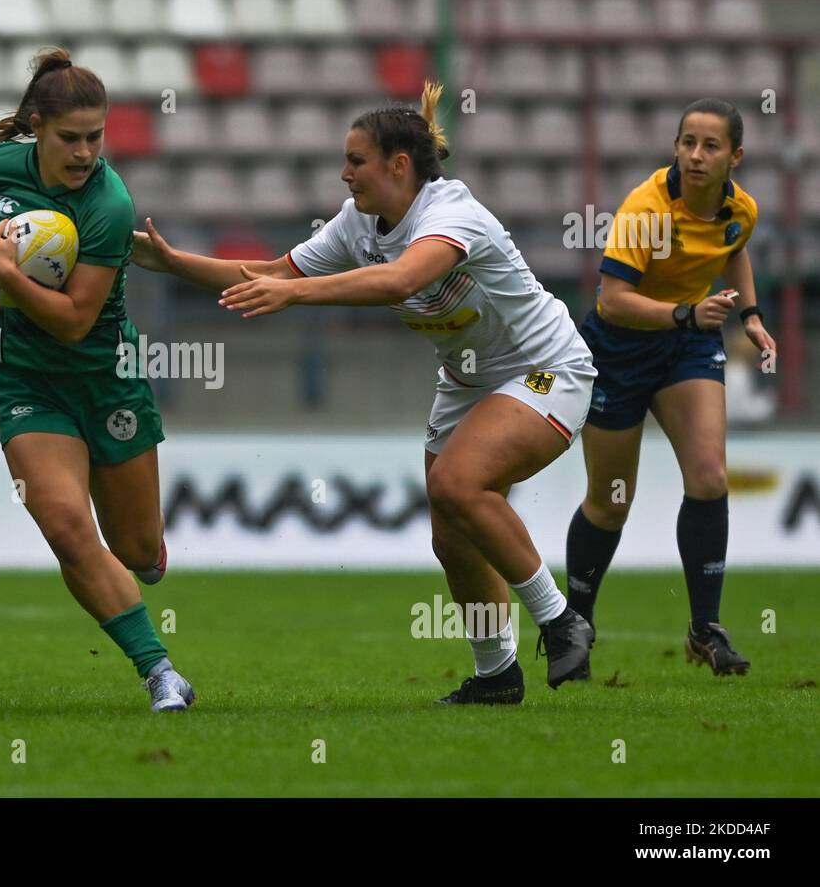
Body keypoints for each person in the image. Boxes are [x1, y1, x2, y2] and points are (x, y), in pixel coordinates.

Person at [132, 82, 595, 703]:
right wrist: (174, 263)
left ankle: (561, 620)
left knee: (457, 484)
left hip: (545, 369)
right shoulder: (359, 224)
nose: (343, 173)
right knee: (450, 536)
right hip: (466, 380)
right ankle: (497, 676)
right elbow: (273, 273)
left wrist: (296, 295)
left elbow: (398, 280)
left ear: (398, 165)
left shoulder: (452, 213)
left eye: (355, 160)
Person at [0, 48, 194, 712]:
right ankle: (160, 673)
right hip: (29, 382)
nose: (86, 153)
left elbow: (75, 322)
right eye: (71, 139)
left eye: (96, 137)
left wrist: (4, 275)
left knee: (137, 550)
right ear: (36, 127)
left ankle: (145, 556)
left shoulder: (109, 206)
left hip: (107, 379)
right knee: (64, 524)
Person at [564, 98, 774, 678]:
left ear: (735, 156)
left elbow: (734, 246)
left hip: (686, 344)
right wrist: (686, 314)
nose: (696, 155)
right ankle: (575, 628)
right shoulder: (644, 208)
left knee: (708, 477)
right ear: (675, 148)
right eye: (687, 142)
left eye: (710, 146)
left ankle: (705, 629)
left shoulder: (741, 208)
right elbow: (613, 300)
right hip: (620, 348)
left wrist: (751, 316)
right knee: (611, 503)